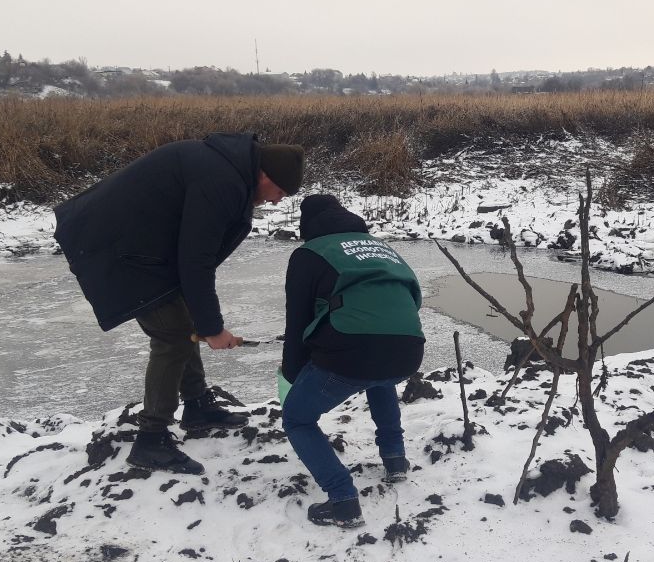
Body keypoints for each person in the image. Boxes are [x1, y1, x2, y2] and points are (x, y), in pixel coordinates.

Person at [54, 132, 304, 474]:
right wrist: (212, 328)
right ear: (265, 176)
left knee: (183, 321)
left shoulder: (227, 170)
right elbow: (195, 260)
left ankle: (198, 405)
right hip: (115, 245)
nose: (277, 202)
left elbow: (192, 257)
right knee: (172, 335)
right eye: (280, 193)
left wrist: (203, 321)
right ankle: (151, 439)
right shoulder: (223, 182)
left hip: (141, 243)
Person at [279, 194, 425, 528]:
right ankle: (395, 460)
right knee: (381, 379)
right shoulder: (382, 248)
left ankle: (343, 500)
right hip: (408, 348)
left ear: (307, 225)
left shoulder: (309, 254)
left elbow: (296, 320)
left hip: (352, 352)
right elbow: (412, 298)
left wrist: (292, 374)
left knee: (298, 419)